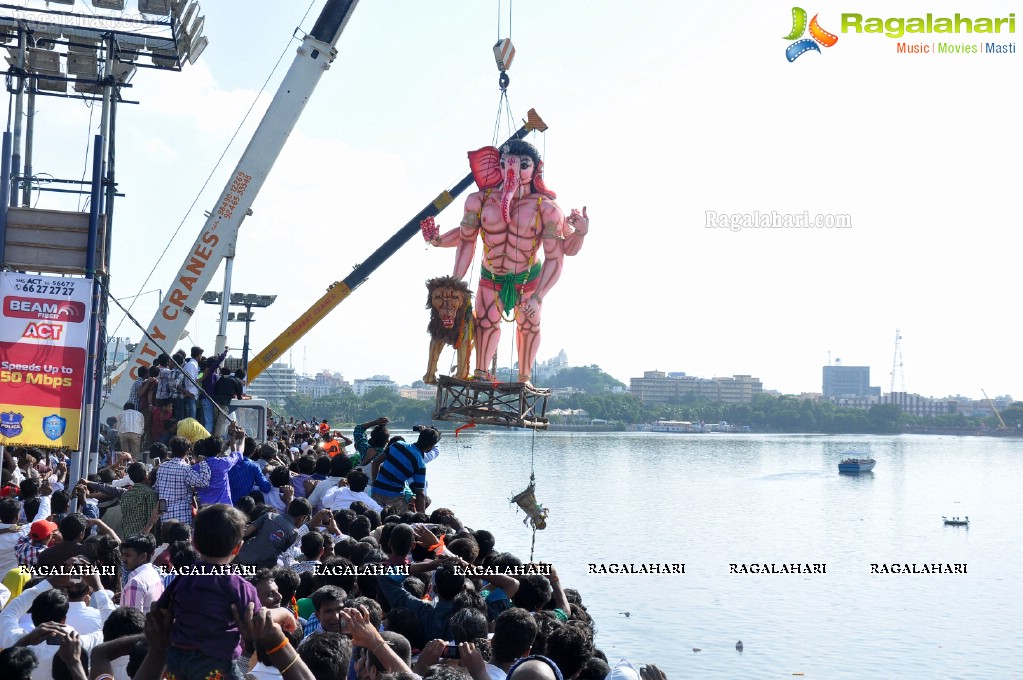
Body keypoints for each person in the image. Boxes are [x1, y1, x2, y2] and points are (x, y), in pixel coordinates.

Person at [429, 138, 588, 385]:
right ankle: (481, 372)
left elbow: (557, 257)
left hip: (528, 280)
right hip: (490, 276)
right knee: (484, 322)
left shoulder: (547, 208)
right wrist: (454, 280)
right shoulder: (478, 200)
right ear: (498, 166)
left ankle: (524, 377)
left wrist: (538, 297)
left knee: (529, 324)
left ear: (537, 168)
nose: (512, 172)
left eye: (523, 165)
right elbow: (466, 239)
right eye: (505, 165)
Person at [154, 504, 266, 680]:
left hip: (177, 662)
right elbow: (258, 620)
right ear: (238, 548)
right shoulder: (242, 587)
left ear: (194, 543)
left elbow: (162, 610)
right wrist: (283, 613)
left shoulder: (183, 578)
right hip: (218, 665)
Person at [371, 427, 440, 514]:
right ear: (431, 446)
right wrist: (421, 517)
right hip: (394, 497)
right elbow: (420, 494)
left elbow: (375, 462)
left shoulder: (398, 444)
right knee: (407, 517)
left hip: (376, 491)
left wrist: (374, 482)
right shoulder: (420, 464)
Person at [154, 436, 211, 527]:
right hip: (182, 516)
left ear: (171, 449)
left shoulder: (162, 467)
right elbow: (204, 482)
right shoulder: (186, 469)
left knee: (167, 540)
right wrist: (203, 463)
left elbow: (156, 489)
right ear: (188, 451)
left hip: (164, 516)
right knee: (182, 540)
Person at [120, 533, 165, 613]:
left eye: (128, 555)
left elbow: (133, 622)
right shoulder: (155, 573)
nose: (123, 559)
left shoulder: (136, 582)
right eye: (122, 554)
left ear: (143, 556)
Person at [213, 367, 245, 438]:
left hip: (215, 400)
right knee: (220, 421)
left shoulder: (224, 378)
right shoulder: (238, 381)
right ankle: (216, 438)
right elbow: (240, 397)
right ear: (242, 377)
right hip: (224, 403)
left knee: (214, 420)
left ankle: (211, 435)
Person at [182, 346, 204, 421]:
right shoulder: (192, 365)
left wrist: (202, 375)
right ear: (199, 355)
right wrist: (201, 378)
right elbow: (191, 381)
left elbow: (195, 377)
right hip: (190, 394)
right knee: (191, 420)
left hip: (191, 395)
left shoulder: (191, 364)